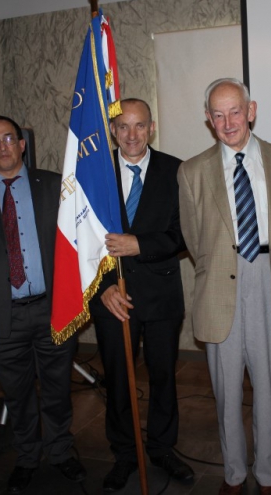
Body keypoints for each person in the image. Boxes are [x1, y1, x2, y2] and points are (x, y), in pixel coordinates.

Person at [178, 78, 271, 495]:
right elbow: (195, 240)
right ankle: (234, 473)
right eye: (218, 114)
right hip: (219, 286)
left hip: (269, 281)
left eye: (235, 111)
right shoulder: (192, 171)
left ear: (251, 110)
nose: (227, 121)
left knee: (268, 386)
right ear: (208, 120)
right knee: (226, 392)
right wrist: (222, 266)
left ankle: (267, 474)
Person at [0, 115, 85, 493]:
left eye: (9, 138)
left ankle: (61, 452)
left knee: (58, 388)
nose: (3, 147)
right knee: (18, 394)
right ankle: (28, 457)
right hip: (2, 316)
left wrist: (75, 302)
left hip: (52, 310)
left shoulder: (54, 186)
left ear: (22, 143)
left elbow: (74, 248)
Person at [88, 98, 193, 491]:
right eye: (123, 127)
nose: (131, 135)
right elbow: (80, 241)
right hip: (111, 296)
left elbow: (184, 234)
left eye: (139, 126)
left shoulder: (176, 170)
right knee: (118, 380)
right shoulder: (93, 174)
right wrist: (102, 289)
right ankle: (125, 454)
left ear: (151, 128)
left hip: (161, 295)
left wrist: (139, 245)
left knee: (164, 377)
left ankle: (163, 448)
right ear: (113, 131)